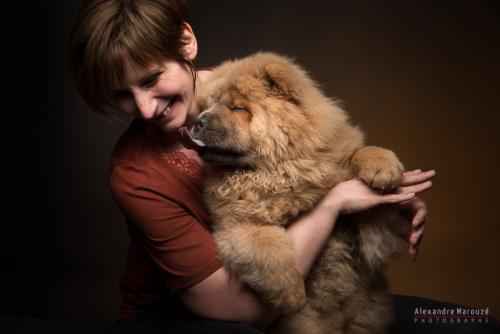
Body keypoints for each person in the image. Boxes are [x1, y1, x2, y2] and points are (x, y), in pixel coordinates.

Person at [68, 1, 498, 333]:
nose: (143, 109)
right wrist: (332, 205)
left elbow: (326, 154)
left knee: (471, 325)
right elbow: (235, 309)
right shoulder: (133, 173)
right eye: (121, 96)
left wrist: (386, 209)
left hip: (310, 296)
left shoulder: (250, 86)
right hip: (185, 318)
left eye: (149, 79)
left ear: (186, 43)